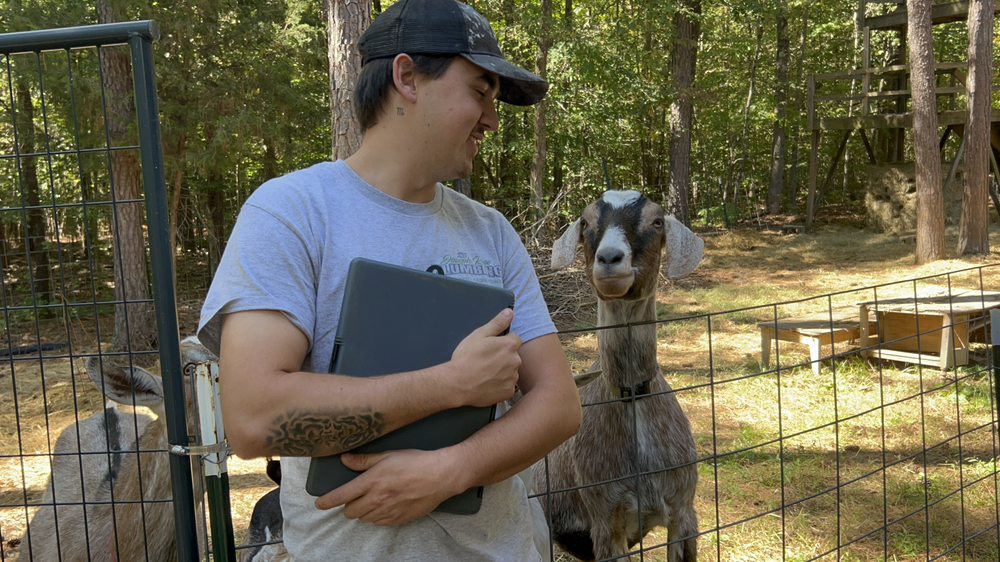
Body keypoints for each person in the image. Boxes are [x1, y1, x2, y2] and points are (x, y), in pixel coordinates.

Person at [196, 0, 583, 559]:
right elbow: (253, 418)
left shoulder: (491, 232)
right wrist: (449, 385)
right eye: (479, 91)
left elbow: (559, 404)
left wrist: (449, 470)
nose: (493, 120)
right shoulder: (292, 212)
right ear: (406, 77)